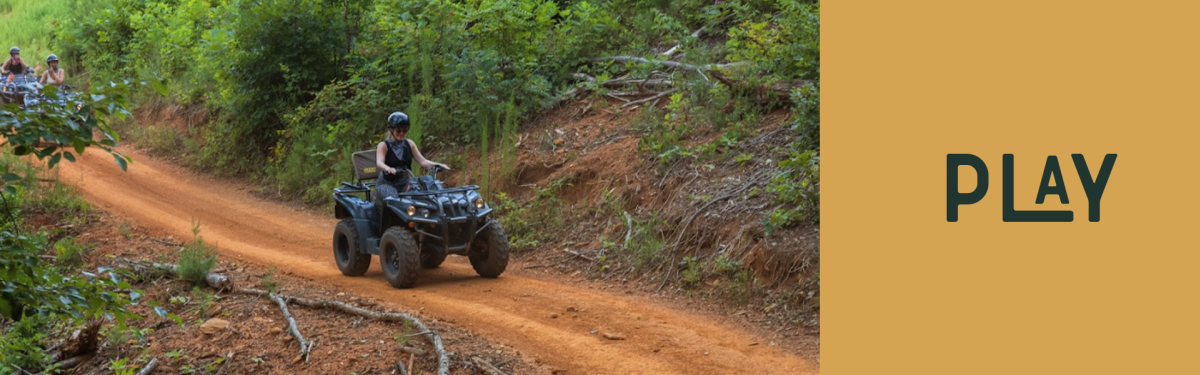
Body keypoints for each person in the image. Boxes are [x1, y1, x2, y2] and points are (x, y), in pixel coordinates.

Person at [372, 112, 451, 206]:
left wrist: (438, 164)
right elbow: (379, 162)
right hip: (387, 183)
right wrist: (387, 168)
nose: (402, 133)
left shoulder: (409, 144)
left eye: (404, 131)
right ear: (391, 129)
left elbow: (423, 161)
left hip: (405, 183)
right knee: (393, 200)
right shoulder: (383, 145)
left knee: (422, 196)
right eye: (398, 131)